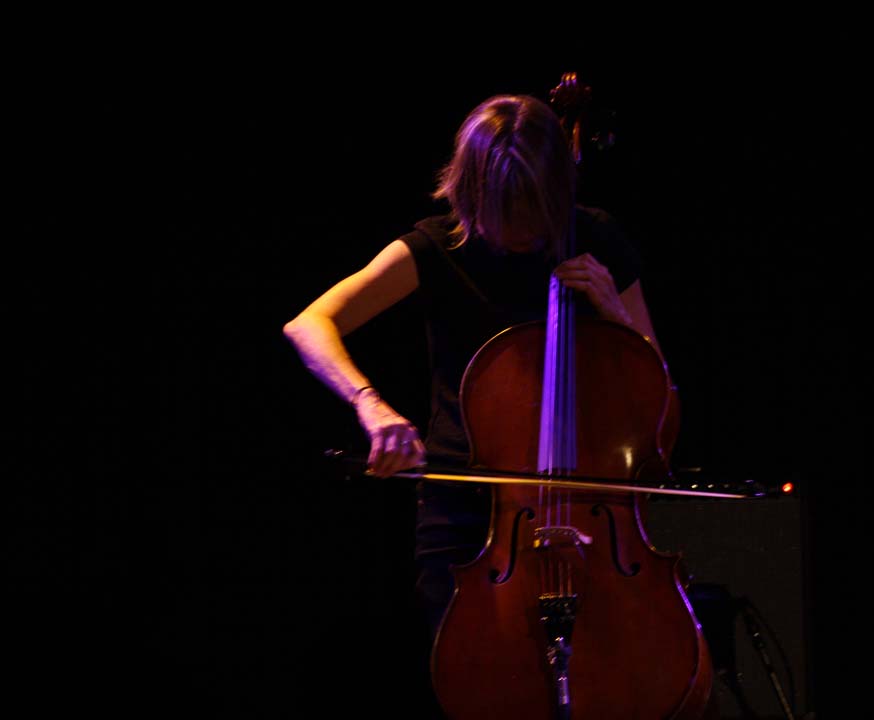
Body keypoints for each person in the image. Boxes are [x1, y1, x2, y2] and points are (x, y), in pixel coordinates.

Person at [282, 92, 666, 707]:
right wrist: (369, 403)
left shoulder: (595, 241)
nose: (521, 233)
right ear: (470, 194)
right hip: (467, 526)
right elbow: (310, 324)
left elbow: (662, 399)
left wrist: (616, 313)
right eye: (504, 213)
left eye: (535, 214)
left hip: (590, 521)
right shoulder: (436, 249)